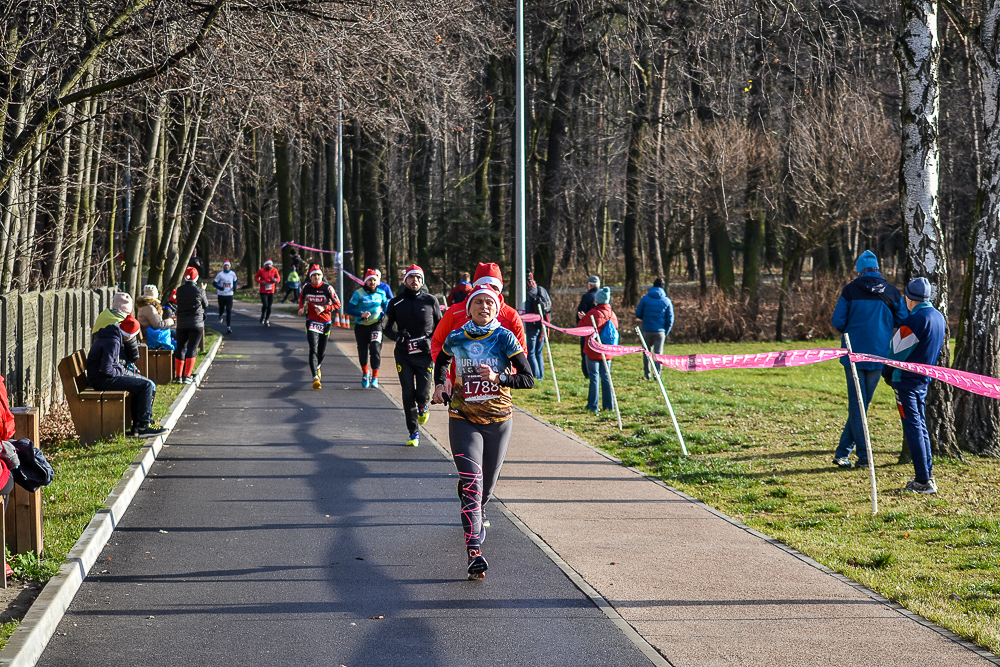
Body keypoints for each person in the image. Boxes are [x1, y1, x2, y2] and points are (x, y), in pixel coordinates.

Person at [432, 286, 534, 579]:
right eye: (478, 302)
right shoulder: (456, 336)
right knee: (472, 484)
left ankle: (474, 504)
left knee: (485, 489)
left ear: (496, 308)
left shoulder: (505, 337)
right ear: (469, 308)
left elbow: (528, 379)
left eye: (490, 302)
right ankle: (474, 552)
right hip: (463, 417)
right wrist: (439, 385)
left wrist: (499, 377)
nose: (484, 307)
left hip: (498, 421)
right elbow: (441, 362)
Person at [830, 251, 907, 468]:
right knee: (861, 405)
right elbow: (903, 319)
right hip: (879, 354)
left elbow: (838, 321)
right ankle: (845, 453)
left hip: (853, 354)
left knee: (858, 405)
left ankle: (861, 456)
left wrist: (854, 327)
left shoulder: (850, 290)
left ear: (859, 270)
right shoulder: (891, 291)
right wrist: (883, 327)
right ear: (877, 268)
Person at [884, 277, 945, 494]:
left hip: (906, 382)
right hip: (922, 380)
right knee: (921, 426)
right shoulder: (938, 317)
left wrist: (886, 373)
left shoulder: (913, 321)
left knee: (914, 428)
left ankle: (922, 480)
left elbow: (895, 354)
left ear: (909, 298)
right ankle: (927, 475)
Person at [384, 264, 442, 447]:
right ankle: (413, 432)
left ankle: (423, 406)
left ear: (422, 281)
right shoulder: (395, 302)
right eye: (411, 277)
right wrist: (396, 335)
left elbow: (441, 327)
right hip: (404, 354)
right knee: (408, 393)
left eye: (418, 278)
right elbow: (385, 327)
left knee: (422, 393)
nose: (414, 280)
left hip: (425, 355)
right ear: (405, 280)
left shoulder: (431, 301)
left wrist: (430, 341)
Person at [87, 311, 168, 438]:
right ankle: (144, 426)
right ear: (129, 336)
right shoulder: (113, 341)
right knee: (146, 386)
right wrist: (121, 371)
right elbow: (107, 368)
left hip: (100, 377)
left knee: (140, 385)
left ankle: (138, 426)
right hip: (102, 380)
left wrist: (120, 369)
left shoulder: (112, 335)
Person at [431, 263, 527, 365]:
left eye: (494, 288)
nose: (488, 290)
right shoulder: (454, 312)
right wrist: (445, 372)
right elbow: (437, 342)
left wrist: (506, 373)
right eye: (483, 286)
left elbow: (521, 352)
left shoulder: (511, 315)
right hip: (460, 375)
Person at [298, 265, 341, 390]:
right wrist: (301, 307)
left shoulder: (327, 288)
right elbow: (301, 297)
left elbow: (337, 304)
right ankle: (315, 377)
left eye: (318, 276)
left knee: (321, 351)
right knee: (313, 348)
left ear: (321, 277)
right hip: (311, 321)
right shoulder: (306, 288)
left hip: (325, 322)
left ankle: (318, 366)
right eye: (314, 276)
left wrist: (324, 308)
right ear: (310, 277)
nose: (316, 278)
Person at [345, 269, 388, 388]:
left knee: (375, 348)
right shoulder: (358, 293)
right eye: (370, 280)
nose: (372, 282)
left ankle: (375, 377)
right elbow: (348, 309)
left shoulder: (381, 293)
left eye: (374, 280)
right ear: (365, 281)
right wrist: (361, 314)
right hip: (361, 326)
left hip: (376, 325)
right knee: (363, 351)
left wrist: (383, 313)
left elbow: (386, 305)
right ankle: (365, 373)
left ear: (377, 281)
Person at [579, 287, 618, 413]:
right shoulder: (612, 314)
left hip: (593, 350)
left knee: (594, 378)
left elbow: (581, 328)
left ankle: (593, 405)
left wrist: (582, 318)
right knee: (606, 378)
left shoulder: (592, 313)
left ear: (598, 300)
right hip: (607, 350)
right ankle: (609, 406)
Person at [635, 277, 675, 380]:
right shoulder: (666, 301)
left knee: (646, 353)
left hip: (647, 329)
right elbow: (670, 319)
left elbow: (638, 313)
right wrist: (666, 331)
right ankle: (657, 375)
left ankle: (647, 374)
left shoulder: (645, 299)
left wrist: (646, 318)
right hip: (660, 331)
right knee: (658, 354)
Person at [173, 267, 208, 384]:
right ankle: (187, 376)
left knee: (181, 348)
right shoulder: (199, 291)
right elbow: (206, 304)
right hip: (196, 323)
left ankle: (178, 376)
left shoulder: (179, 290)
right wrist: (203, 290)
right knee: (192, 348)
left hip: (182, 323)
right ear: (196, 278)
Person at [523, 273, 552, 381]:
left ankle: (536, 375)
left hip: (532, 326)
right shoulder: (541, 290)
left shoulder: (526, 294)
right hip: (543, 324)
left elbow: (526, 309)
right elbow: (549, 304)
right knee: (539, 352)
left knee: (531, 352)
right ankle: (541, 375)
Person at [576, 276, 601, 378]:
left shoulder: (587, 297)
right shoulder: (604, 297)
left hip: (587, 329)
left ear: (589, 285)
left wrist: (579, 326)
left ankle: (587, 373)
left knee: (586, 351)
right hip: (601, 329)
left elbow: (580, 313)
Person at [213, 260, 238, 334]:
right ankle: (220, 315)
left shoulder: (232, 274)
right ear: (223, 266)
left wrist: (235, 287)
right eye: (225, 266)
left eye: (228, 266)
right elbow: (214, 283)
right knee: (221, 308)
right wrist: (219, 287)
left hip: (229, 294)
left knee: (229, 310)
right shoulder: (220, 274)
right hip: (221, 294)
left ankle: (228, 326)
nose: (226, 267)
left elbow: (235, 281)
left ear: (229, 266)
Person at [255, 259, 280, 326]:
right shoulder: (261, 270)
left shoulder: (275, 270)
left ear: (272, 265)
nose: (268, 266)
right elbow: (256, 278)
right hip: (263, 291)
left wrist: (276, 280)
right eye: (267, 265)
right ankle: (263, 315)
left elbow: (278, 278)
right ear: (265, 265)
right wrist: (261, 282)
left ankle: (267, 319)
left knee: (269, 306)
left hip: (271, 291)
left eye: (270, 264)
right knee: (265, 305)